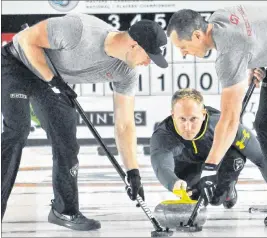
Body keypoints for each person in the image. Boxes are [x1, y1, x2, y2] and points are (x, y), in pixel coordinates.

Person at [1, 13, 168, 230]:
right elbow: (25, 40)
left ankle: (64, 210)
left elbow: (124, 124)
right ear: (134, 44)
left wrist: (132, 172)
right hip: (17, 64)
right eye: (149, 56)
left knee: (67, 141)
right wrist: (53, 81)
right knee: (18, 130)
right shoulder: (79, 30)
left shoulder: (127, 73)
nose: (148, 63)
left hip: (51, 80)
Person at [166, 6, 267, 227]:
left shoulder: (230, 51)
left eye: (183, 47)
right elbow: (259, 28)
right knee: (265, 125)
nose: (183, 54)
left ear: (197, 35)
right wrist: (258, 58)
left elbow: (229, 120)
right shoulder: (218, 19)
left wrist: (210, 167)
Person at [150, 88, 267, 208]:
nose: (188, 127)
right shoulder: (163, 135)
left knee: (217, 197)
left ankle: (227, 188)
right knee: (198, 198)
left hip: (221, 163)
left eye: (193, 119)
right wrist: (174, 184)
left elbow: (262, 157)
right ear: (173, 115)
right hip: (188, 169)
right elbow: (162, 167)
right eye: (182, 119)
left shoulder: (221, 123)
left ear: (203, 114)